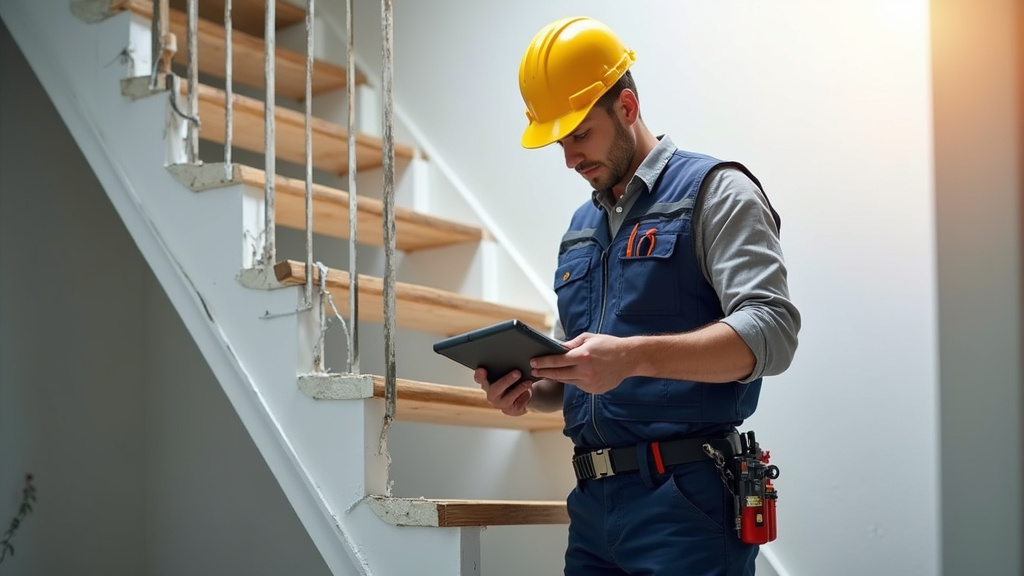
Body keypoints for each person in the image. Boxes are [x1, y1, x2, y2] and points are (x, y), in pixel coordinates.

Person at [474, 16, 801, 576]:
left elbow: (771, 333)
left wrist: (631, 357)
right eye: (560, 142)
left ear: (627, 107)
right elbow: (586, 374)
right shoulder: (581, 227)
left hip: (687, 503)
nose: (570, 158)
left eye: (580, 134)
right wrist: (534, 382)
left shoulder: (717, 191)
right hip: (592, 509)